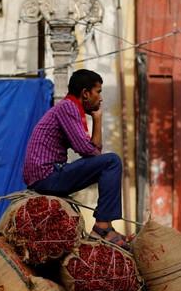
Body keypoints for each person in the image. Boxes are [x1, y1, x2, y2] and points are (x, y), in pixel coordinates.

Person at [23, 68, 127, 246]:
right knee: (112, 161)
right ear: (85, 94)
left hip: (48, 175)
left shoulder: (69, 108)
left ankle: (104, 225)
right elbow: (89, 151)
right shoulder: (68, 108)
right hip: (47, 176)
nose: (101, 98)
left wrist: (97, 119)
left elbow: (93, 151)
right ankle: (102, 226)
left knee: (108, 163)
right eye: (98, 92)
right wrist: (98, 120)